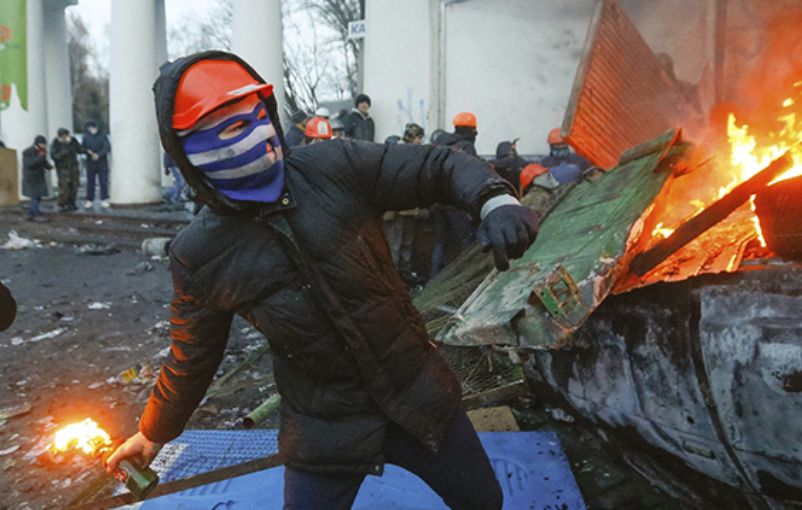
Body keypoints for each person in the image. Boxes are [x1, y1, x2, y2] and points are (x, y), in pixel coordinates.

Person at [104, 51, 538, 510]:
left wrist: (493, 201)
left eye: (257, 115)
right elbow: (191, 360)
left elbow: (437, 166)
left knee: (484, 502)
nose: (256, 134)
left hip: (421, 400)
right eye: (231, 128)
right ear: (185, 148)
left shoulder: (335, 166)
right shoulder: (200, 254)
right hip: (324, 431)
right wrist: (153, 434)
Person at [50, 128, 83, 211]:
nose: (66, 138)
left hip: (73, 167)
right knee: (64, 188)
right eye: (64, 136)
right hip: (63, 169)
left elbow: (79, 149)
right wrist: (63, 152)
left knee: (74, 186)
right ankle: (62, 204)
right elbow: (54, 156)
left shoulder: (72, 141)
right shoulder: (55, 144)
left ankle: (71, 203)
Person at [22, 136, 53, 222]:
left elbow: (42, 162)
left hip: (39, 177)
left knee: (38, 196)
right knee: (34, 196)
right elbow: (30, 164)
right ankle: (36, 213)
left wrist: (48, 166)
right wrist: (40, 156)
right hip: (31, 178)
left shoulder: (41, 152)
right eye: (42, 144)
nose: (44, 146)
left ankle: (32, 213)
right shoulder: (28, 152)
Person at [81, 120, 111, 209]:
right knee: (90, 182)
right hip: (90, 163)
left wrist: (99, 154)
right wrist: (88, 152)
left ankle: (104, 199)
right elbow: (82, 147)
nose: (91, 129)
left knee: (103, 181)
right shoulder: (85, 137)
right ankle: (89, 200)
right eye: (90, 127)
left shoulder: (102, 136)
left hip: (102, 163)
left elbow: (107, 147)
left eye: (93, 127)